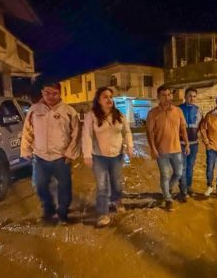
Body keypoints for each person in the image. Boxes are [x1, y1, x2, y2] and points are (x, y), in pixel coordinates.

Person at [20, 80, 81, 224]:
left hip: (61, 157)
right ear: (42, 93)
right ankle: (48, 209)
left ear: (60, 94)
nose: (51, 96)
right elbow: (27, 131)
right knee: (39, 185)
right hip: (40, 157)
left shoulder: (69, 111)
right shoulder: (35, 110)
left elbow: (76, 134)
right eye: (47, 93)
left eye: (55, 93)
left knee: (64, 186)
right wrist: (26, 149)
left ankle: (62, 212)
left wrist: (70, 153)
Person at [81, 86, 133, 227]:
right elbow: (86, 135)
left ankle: (117, 200)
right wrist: (87, 154)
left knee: (116, 182)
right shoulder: (91, 116)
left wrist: (129, 145)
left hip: (117, 156)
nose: (109, 99)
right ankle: (103, 213)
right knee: (102, 185)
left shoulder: (119, 115)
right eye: (105, 97)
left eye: (111, 97)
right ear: (98, 100)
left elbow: (127, 132)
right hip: (99, 157)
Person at [146, 85, 190, 211]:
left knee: (178, 173)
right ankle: (168, 199)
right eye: (163, 95)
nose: (166, 97)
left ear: (171, 95)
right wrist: (152, 148)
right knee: (165, 175)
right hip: (161, 151)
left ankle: (168, 189)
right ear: (158, 97)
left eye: (168, 94)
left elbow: (183, 129)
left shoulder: (178, 111)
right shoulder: (153, 113)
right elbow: (149, 132)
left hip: (177, 149)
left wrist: (186, 143)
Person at [178, 88, 202, 193]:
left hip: (194, 144)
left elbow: (202, 125)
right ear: (185, 97)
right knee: (182, 167)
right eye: (189, 96)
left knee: (190, 167)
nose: (192, 98)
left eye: (194, 96)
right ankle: (183, 189)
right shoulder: (178, 109)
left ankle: (188, 186)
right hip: (181, 143)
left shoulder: (198, 110)